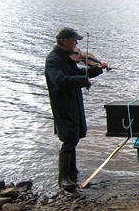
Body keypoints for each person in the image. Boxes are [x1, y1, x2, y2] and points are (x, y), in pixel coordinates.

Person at [45, 27, 109, 190]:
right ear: (66, 41)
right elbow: (59, 80)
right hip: (62, 104)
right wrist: (83, 81)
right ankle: (63, 179)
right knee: (69, 137)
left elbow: (80, 73)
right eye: (74, 40)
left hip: (73, 101)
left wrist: (97, 69)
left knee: (75, 135)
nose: (76, 44)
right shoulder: (53, 60)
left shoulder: (67, 57)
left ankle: (72, 172)